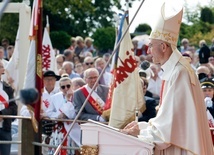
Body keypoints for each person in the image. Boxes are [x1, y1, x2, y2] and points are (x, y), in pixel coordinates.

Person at [121, 2, 214, 155]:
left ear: (164, 47)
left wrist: (140, 132)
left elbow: (169, 129)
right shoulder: (175, 70)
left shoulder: (179, 73)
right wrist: (143, 127)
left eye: (151, 45)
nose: (149, 50)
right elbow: (168, 120)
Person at [46, 77, 81, 155]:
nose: (66, 88)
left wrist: (66, 113)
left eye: (68, 86)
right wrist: (58, 116)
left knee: (73, 150)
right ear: (60, 88)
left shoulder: (78, 95)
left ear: (71, 85)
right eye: (63, 87)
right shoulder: (54, 97)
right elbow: (49, 112)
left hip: (73, 128)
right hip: (59, 129)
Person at [0, 60, 17, 155]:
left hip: (5, 128)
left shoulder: (7, 88)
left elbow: (14, 108)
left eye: (1, 66)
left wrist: (2, 114)